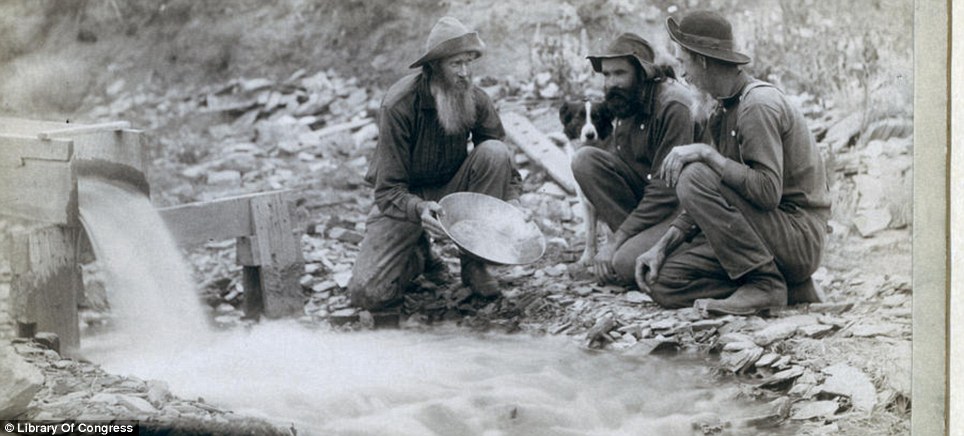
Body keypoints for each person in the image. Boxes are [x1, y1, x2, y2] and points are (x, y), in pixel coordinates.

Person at [634, 10, 831, 316]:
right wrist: (662, 246)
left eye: (684, 62)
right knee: (665, 282)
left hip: (797, 237)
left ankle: (764, 286)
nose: (682, 74)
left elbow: (766, 193)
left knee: (693, 174)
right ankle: (790, 288)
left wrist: (707, 154)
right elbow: (713, 195)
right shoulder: (722, 109)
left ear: (702, 60)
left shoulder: (757, 105)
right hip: (765, 236)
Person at [348, 17, 521, 311]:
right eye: (456, 64)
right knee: (370, 294)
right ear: (434, 68)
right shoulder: (399, 105)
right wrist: (418, 209)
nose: (465, 73)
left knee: (494, 152)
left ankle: (474, 263)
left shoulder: (476, 99)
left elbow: (502, 162)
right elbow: (388, 189)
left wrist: (515, 205)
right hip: (405, 200)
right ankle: (420, 255)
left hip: (453, 192)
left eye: (469, 62)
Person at [570, 33, 696, 285]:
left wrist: (617, 241)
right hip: (648, 207)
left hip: (681, 212)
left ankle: (677, 252)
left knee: (625, 265)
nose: (611, 83)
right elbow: (623, 170)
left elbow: (665, 191)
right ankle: (636, 245)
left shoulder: (673, 105)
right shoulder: (626, 102)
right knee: (585, 160)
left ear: (643, 74)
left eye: (619, 73)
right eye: (606, 75)